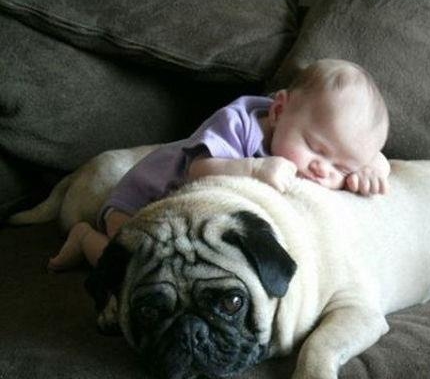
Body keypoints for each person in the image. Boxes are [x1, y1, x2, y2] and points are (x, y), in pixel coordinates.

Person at [48, 59, 390, 271]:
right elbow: (199, 170)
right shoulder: (238, 122)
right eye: (316, 148)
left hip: (188, 217)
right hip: (144, 198)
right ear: (278, 110)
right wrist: (254, 169)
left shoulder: (329, 145)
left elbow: (361, 151)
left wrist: (375, 167)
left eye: (341, 168)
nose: (323, 171)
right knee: (135, 263)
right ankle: (84, 239)